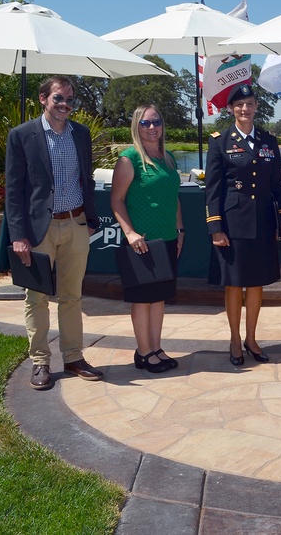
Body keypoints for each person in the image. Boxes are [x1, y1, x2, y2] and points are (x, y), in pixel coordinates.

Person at [5, 76, 104, 390]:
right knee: (36, 297)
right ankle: (40, 363)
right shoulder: (21, 136)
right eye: (59, 99)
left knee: (72, 296)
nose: (65, 105)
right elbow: (13, 190)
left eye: (70, 100)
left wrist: (89, 219)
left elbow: (85, 179)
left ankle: (74, 357)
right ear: (43, 99)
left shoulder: (81, 134)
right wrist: (19, 235)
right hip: (38, 231)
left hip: (75, 225)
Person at [206, 85, 281, 366]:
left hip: (263, 222)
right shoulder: (219, 141)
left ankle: (251, 338)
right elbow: (213, 188)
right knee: (234, 284)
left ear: (256, 107)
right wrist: (215, 226)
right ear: (230, 109)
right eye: (239, 105)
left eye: (250, 104)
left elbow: (278, 184)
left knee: (256, 284)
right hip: (232, 224)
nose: (245, 109)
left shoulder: (268, 140)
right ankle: (234, 339)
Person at [110, 104, 183, 373]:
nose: (152, 128)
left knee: (159, 297)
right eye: (145, 123)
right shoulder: (129, 160)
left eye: (156, 122)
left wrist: (180, 231)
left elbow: (173, 197)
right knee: (142, 300)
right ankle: (143, 352)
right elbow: (116, 201)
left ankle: (156, 347)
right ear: (136, 127)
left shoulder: (169, 158)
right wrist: (129, 233)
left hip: (165, 239)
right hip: (140, 241)